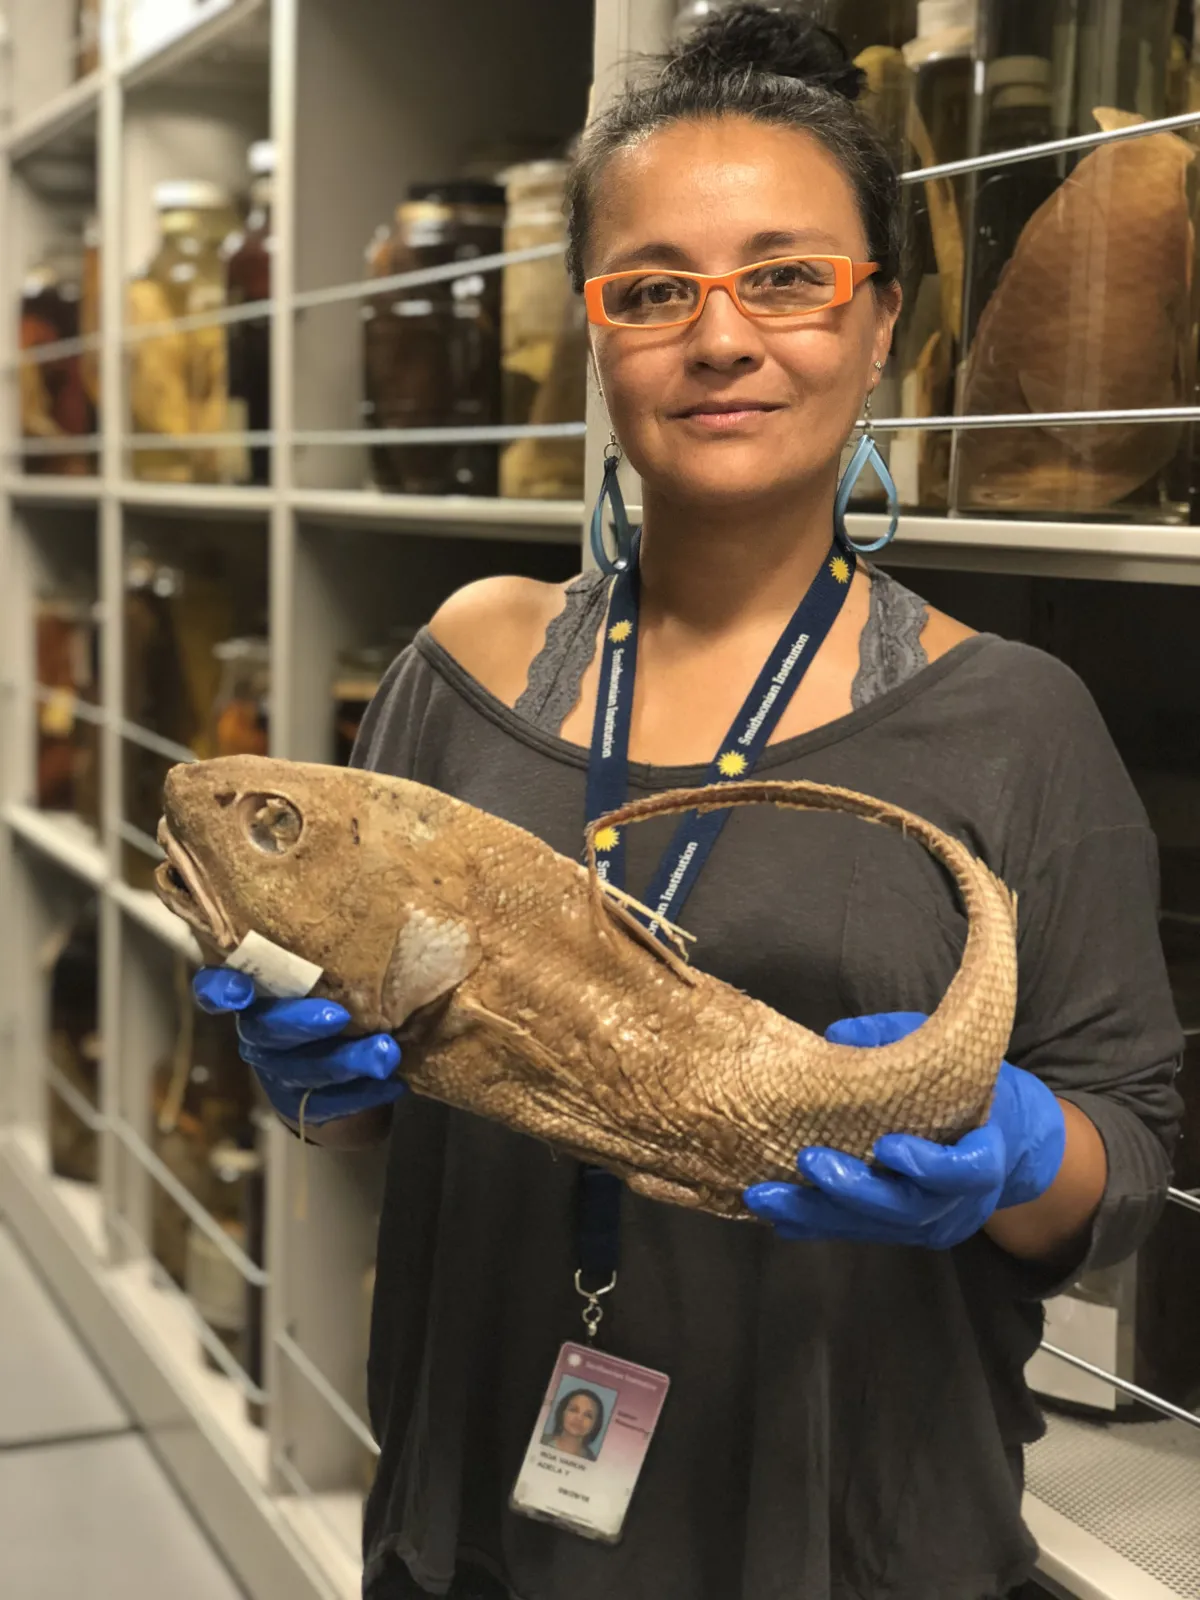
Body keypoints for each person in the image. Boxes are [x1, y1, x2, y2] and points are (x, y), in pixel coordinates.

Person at [194, 7, 1183, 1599]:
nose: (720, 338)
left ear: (879, 322)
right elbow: (397, 1096)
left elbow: (1127, 1160)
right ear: (598, 332)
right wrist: (313, 1069)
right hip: (480, 1507)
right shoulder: (462, 667)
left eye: (789, 277)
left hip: (840, 1527)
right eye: (654, 289)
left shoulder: (1015, 721)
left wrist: (1008, 1149)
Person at [542, 1390, 605, 1462]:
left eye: (588, 1415)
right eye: (573, 1410)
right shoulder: (539, 1439)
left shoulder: (593, 1461)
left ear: (595, 1424)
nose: (579, 1418)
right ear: (562, 1413)